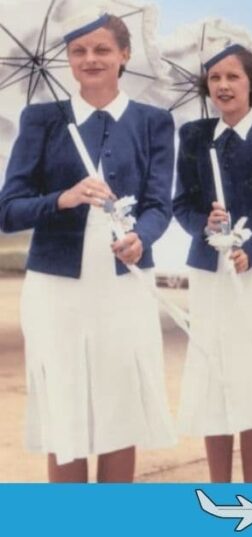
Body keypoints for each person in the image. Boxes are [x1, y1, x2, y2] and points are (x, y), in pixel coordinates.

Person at [0, 12, 176, 482]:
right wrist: (64, 198)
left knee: (120, 408)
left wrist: (145, 237)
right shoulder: (40, 120)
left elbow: (160, 203)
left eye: (101, 49)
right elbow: (9, 209)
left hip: (124, 284)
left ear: (124, 55)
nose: (90, 59)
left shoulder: (154, 122)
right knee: (66, 409)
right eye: (78, 51)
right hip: (57, 289)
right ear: (69, 61)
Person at [173, 44, 252, 482]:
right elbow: (182, 203)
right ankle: (220, 492)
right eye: (214, 79)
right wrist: (204, 225)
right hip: (210, 272)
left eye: (233, 77)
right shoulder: (193, 136)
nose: (223, 86)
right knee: (215, 375)